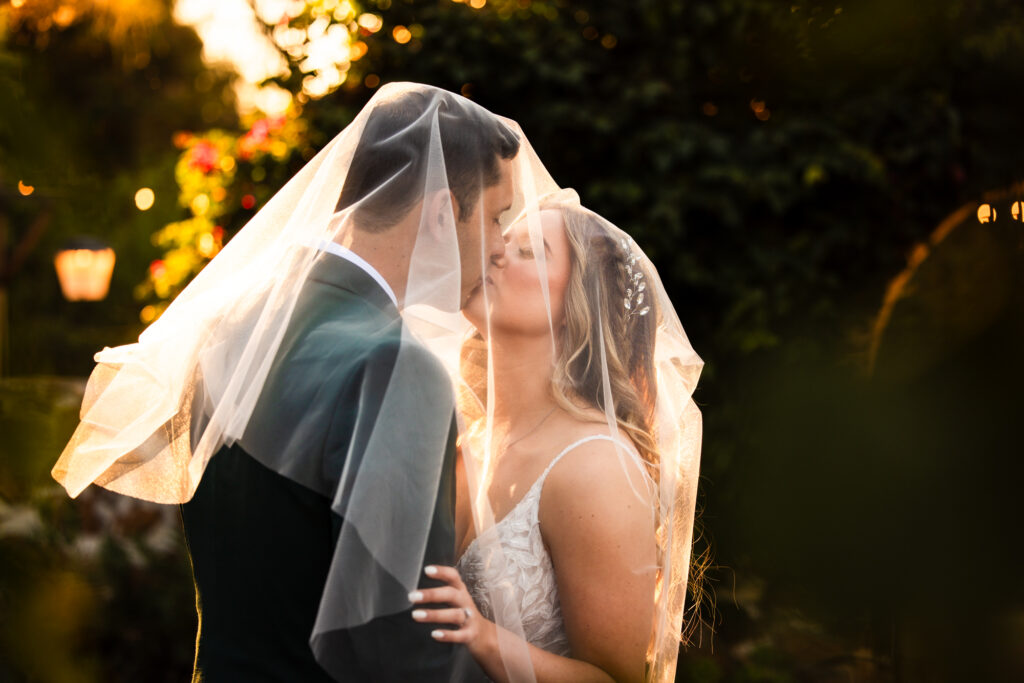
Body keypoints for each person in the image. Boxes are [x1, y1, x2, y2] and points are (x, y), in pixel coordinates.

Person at [51, 83, 561, 681]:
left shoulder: (236, 327)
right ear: (443, 214)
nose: (502, 245)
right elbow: (392, 648)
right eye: (498, 218)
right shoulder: (396, 366)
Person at [408, 191, 704, 682]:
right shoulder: (469, 435)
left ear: (576, 304)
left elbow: (617, 679)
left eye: (530, 251)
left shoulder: (596, 466)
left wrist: (482, 637)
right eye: (506, 238)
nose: (495, 251)